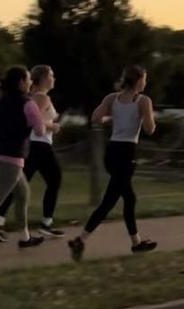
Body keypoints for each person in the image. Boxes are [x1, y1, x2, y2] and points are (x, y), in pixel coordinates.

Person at [67, 65, 157, 261]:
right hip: (127, 154)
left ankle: (134, 243)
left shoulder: (111, 98)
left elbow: (95, 118)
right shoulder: (143, 101)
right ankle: (82, 240)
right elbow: (150, 130)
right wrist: (147, 117)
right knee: (114, 201)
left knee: (122, 199)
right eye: (145, 79)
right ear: (138, 80)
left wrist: (113, 118)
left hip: (111, 152)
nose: (146, 83)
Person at [0, 65, 65, 238]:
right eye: (51, 75)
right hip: (36, 146)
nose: (54, 78)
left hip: (12, 150)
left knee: (19, 189)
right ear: (43, 78)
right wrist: (53, 126)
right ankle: (46, 224)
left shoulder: (11, 100)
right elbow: (38, 125)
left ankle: (4, 222)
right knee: (54, 179)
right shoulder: (38, 99)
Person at [0, 66, 46, 247]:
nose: (31, 82)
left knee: (23, 193)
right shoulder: (28, 103)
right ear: (22, 82)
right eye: (29, 79)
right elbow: (40, 131)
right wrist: (46, 122)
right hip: (13, 158)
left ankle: (25, 238)